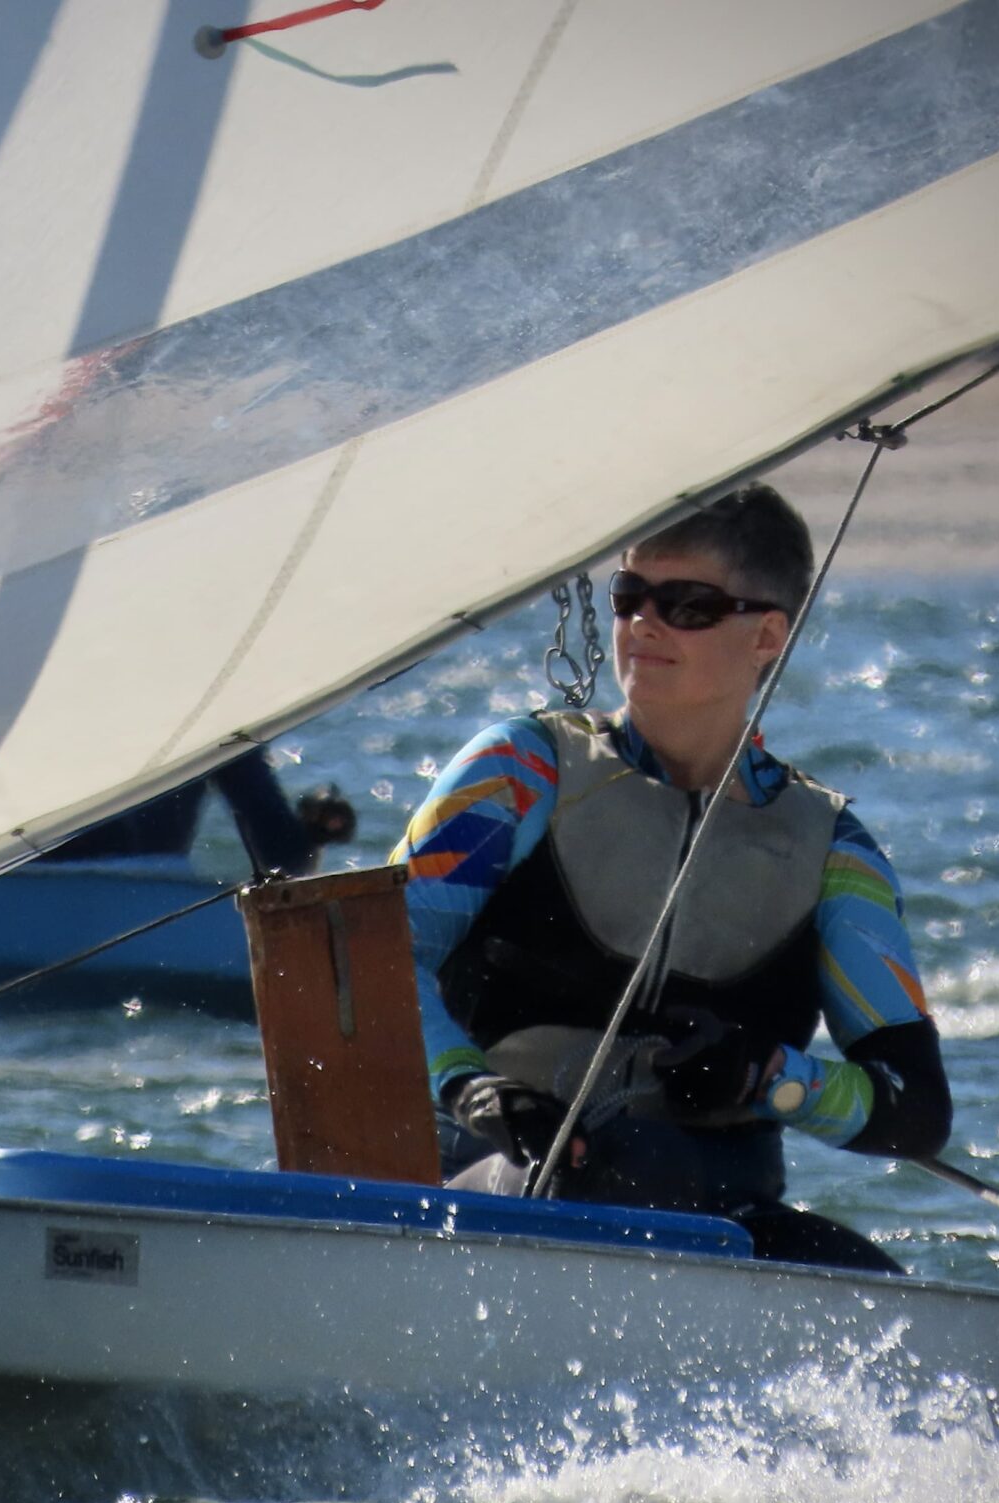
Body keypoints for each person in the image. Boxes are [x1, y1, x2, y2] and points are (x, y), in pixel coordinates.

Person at [393, 484, 950, 1272]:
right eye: (629, 597)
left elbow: (916, 1109)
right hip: (498, 1184)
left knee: (871, 1283)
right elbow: (368, 960)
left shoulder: (835, 853)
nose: (642, 624)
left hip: (716, 1211)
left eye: (687, 604)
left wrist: (768, 1077)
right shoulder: (516, 771)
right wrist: (471, 1090)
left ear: (766, 637)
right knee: (596, 1186)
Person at [46, 746, 355, 874]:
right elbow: (286, 861)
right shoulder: (217, 715)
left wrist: (310, 837)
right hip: (142, 884)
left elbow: (285, 859)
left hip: (29, 872)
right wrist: (311, 838)